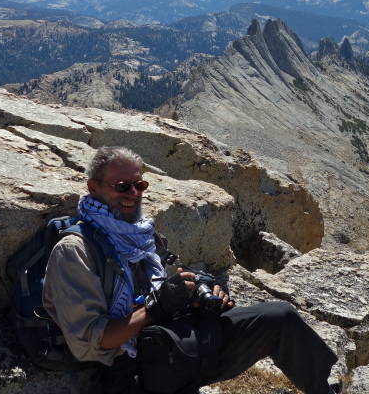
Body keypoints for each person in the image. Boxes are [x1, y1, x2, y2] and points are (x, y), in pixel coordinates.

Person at [42, 146, 340, 394]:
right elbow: (90, 342)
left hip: (176, 342)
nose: (133, 193)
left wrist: (199, 290)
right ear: (93, 187)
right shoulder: (75, 251)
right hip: (132, 369)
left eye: (140, 184)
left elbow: (172, 276)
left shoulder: (142, 233)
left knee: (280, 318)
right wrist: (156, 309)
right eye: (122, 186)